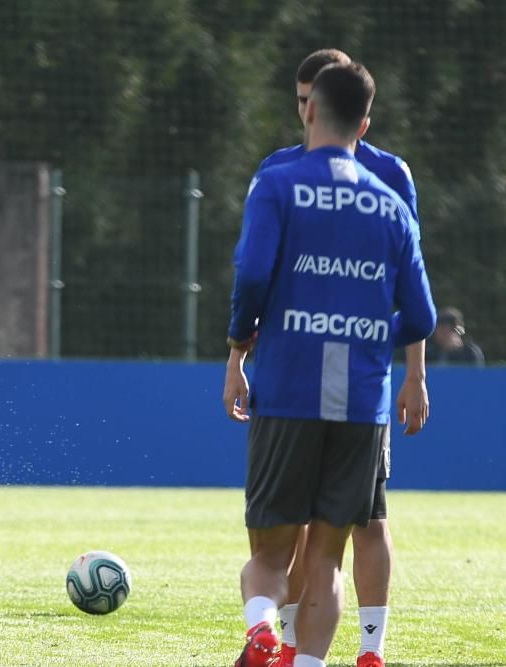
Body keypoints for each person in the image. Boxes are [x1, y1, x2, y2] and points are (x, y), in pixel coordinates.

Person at [223, 62, 436, 667]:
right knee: (326, 556)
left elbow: (254, 275)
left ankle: (263, 629)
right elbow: (420, 316)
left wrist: (242, 341)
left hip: (289, 384)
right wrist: (368, 334)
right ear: (364, 123)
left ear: (310, 108)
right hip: (360, 397)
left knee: (269, 555)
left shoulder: (279, 183)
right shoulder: (392, 201)